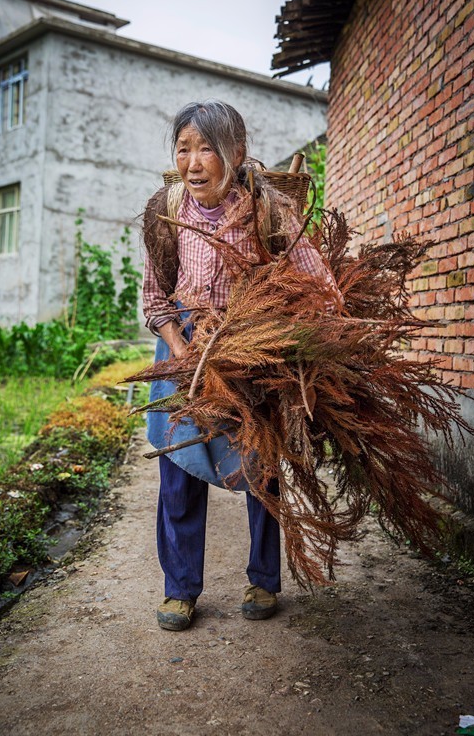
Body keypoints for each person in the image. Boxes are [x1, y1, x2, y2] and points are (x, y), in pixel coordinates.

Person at [142, 100, 332, 631]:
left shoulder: (268, 208)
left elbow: (317, 284)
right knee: (178, 470)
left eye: (208, 149)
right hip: (181, 350)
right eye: (184, 148)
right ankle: (180, 590)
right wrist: (177, 344)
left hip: (250, 349)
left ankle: (264, 579)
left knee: (261, 468)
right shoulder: (167, 207)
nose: (194, 162)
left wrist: (295, 339)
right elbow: (155, 293)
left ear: (237, 153)